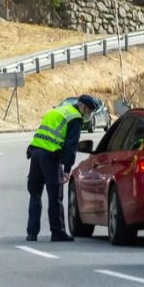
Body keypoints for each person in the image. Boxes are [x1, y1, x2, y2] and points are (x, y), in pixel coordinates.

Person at [26, 94, 101, 242]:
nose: (89, 114)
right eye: (89, 110)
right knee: (55, 197)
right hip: (50, 157)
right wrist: (67, 170)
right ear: (83, 107)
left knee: (35, 194)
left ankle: (32, 233)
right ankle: (57, 232)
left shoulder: (58, 111)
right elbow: (71, 146)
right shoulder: (75, 118)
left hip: (35, 154)